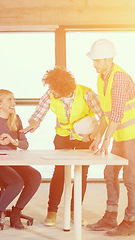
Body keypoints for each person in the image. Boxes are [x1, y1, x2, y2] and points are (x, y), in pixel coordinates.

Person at [22, 66, 106, 227]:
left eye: (53, 88)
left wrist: (94, 136)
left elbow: (103, 116)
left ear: (63, 87)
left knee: (81, 174)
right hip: (62, 137)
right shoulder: (51, 94)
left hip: (84, 138)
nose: (51, 91)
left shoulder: (86, 93)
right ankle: (52, 211)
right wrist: (32, 125)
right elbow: (38, 114)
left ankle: (76, 211)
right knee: (59, 172)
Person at [85, 39, 135, 236]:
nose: (93, 64)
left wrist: (106, 141)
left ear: (108, 59)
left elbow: (117, 114)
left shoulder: (119, 78)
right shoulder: (102, 77)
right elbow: (106, 112)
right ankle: (110, 217)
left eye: (97, 60)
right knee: (110, 173)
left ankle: (130, 222)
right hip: (121, 133)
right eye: (93, 60)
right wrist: (97, 136)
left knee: (130, 177)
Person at [0, 89, 41, 230]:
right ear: (0, 103)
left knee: (35, 176)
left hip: (12, 161)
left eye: (14, 99)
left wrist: (14, 142)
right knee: (17, 181)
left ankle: (16, 213)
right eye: (10, 100)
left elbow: (25, 144)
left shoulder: (16, 119)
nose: (14, 103)